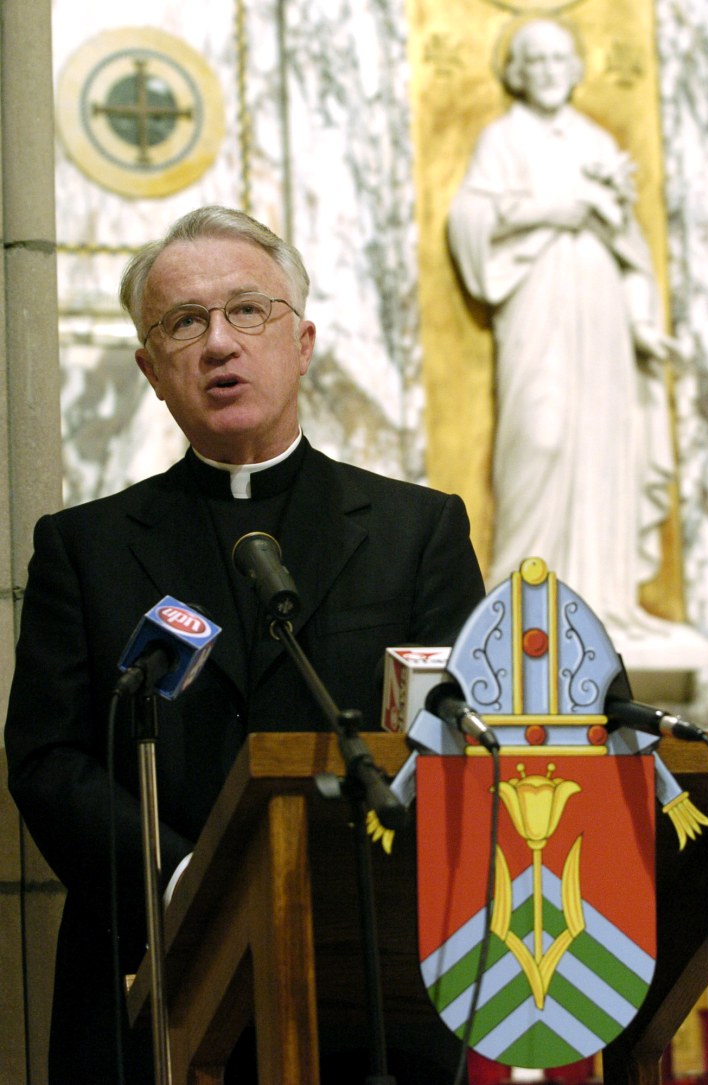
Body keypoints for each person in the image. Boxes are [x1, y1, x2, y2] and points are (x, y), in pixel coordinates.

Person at [5, 206, 485, 1084]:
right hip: (147, 978)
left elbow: (456, 744)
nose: (219, 343)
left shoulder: (416, 532)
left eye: (247, 311)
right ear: (152, 370)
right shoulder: (86, 546)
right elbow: (46, 758)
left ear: (301, 342)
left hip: (367, 986)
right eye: (185, 322)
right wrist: (192, 876)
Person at [448, 17, 679, 637]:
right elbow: (471, 216)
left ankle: (601, 601)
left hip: (600, 306)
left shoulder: (597, 142)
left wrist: (642, 325)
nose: (549, 71)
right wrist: (556, 209)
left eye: (559, 59)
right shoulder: (503, 138)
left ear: (576, 69)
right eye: (535, 61)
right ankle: (519, 596)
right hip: (538, 297)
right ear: (517, 73)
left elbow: (630, 247)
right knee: (542, 435)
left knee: (601, 440)